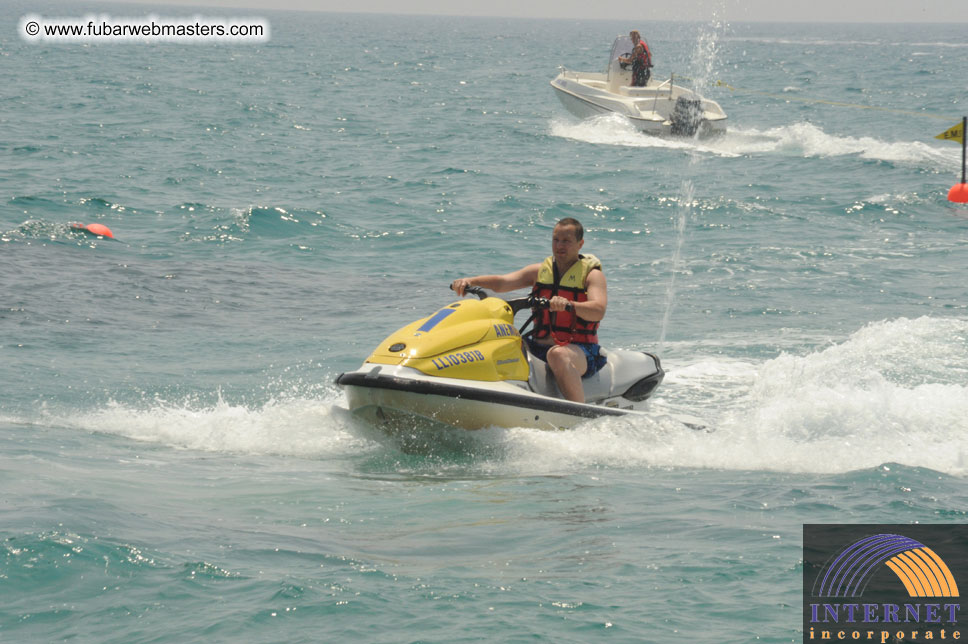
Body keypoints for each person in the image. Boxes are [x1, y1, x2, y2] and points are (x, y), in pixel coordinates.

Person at [451, 218, 607, 404]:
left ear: (580, 244)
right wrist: (471, 281)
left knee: (557, 354)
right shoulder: (539, 271)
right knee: (499, 342)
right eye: (556, 240)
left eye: (566, 241)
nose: (559, 245)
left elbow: (598, 310)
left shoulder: (592, 275)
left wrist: (569, 305)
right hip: (538, 346)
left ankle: (579, 413)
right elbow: (502, 283)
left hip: (581, 350)